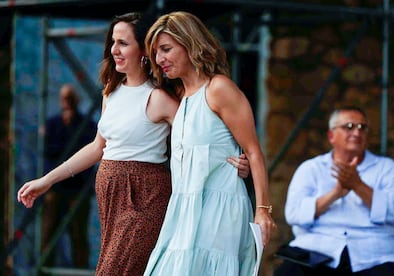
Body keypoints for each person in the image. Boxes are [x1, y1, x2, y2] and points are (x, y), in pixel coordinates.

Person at [17, 12, 250, 276]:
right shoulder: (110, 91)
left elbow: (201, 132)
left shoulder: (160, 98)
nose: (114, 50)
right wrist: (47, 180)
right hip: (111, 198)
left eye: (123, 43)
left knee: (113, 271)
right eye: (113, 42)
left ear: (143, 49)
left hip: (145, 195)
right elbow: (97, 147)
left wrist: (236, 159)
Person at [143, 11, 276, 275]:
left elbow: (253, 151)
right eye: (157, 52)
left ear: (190, 43)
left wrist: (263, 211)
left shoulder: (218, 89)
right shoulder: (183, 96)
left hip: (219, 211)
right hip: (184, 212)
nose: (159, 59)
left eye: (166, 49)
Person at [274, 106, 394, 276]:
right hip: (317, 252)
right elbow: (294, 214)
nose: (356, 133)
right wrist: (335, 194)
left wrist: (358, 185)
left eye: (362, 127)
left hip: (376, 254)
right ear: (331, 136)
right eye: (349, 127)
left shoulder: (387, 169)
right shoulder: (311, 168)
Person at [41, 83, 96, 269]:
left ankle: (80, 270)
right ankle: (43, 270)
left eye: (70, 98)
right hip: (56, 188)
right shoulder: (53, 124)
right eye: (64, 98)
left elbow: (88, 151)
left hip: (78, 188)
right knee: (48, 233)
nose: (67, 102)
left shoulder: (87, 124)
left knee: (78, 235)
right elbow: (49, 151)